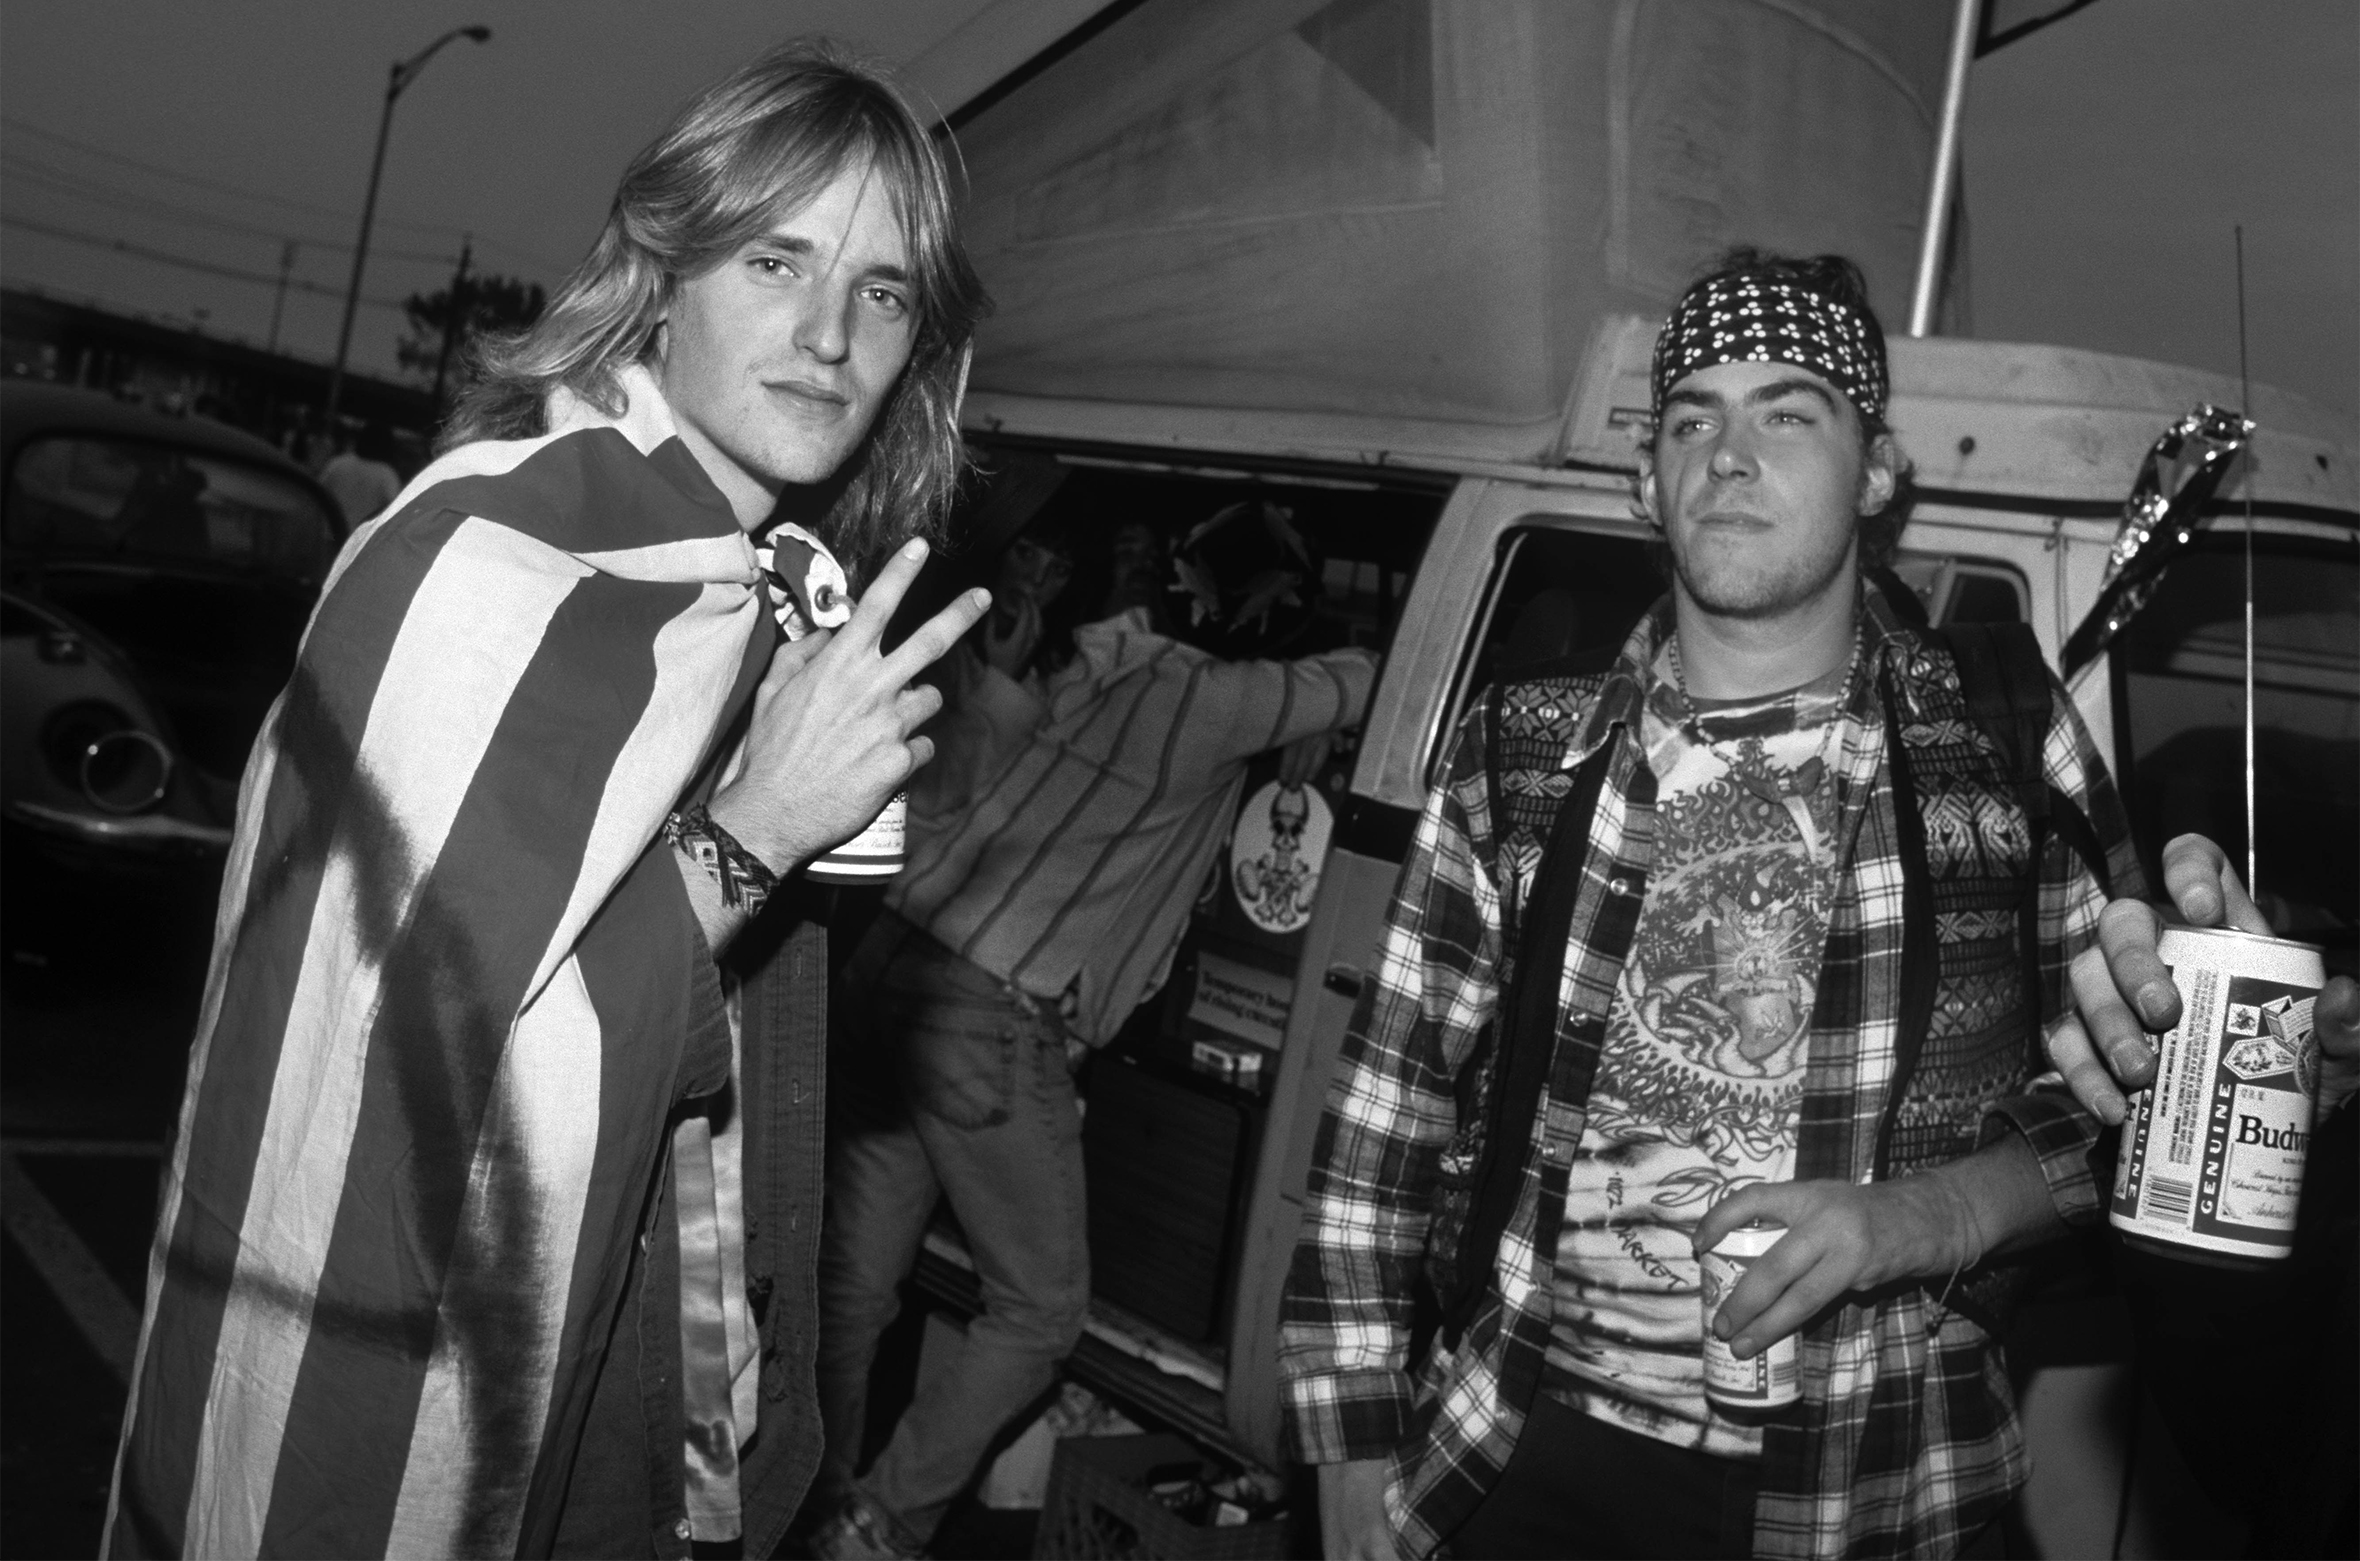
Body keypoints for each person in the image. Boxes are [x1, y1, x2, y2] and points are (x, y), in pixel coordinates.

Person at [1278, 248, 2360, 1561]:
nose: (1731, 454)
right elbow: (1382, 1126)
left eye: (1790, 412)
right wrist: (1343, 1461)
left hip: (1882, 1485)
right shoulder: (1522, 748)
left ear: (1880, 472)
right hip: (1517, 1459)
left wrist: (1926, 1216)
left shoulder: (2003, 732)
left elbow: (2140, 1107)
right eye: (1693, 419)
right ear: (1644, 478)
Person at [104, 40, 992, 1559]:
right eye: (779, 257)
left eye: (885, 291)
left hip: (660, 1336)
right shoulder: (484, 562)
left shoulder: (750, 593)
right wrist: (760, 826)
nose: (831, 333)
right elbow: (422, 1087)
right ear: (665, 268)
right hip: (445, 1368)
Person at [811, 502, 1378, 1558]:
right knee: (1037, 1312)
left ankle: (810, 1500)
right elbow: (1377, 676)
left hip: (892, 956)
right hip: (988, 1011)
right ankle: (878, 1527)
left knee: (854, 1284)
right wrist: (1313, 698)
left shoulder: (1096, 657)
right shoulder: (1215, 701)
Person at [316, 422, 403, 526]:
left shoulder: (338, 463)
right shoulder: (387, 475)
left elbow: (317, 493)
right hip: (359, 538)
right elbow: (395, 512)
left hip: (329, 533)